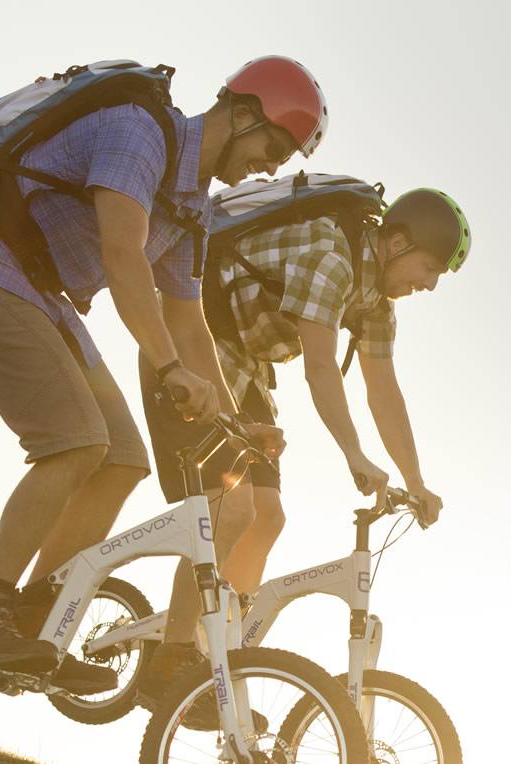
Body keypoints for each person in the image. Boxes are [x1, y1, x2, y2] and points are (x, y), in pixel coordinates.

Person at [0, 57, 323, 691]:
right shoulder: (138, 132)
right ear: (242, 113)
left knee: (125, 458)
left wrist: (236, 425)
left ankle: (28, 622)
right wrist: (165, 367)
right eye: (271, 146)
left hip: (39, 299)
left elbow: (189, 321)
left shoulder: (194, 207)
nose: (270, 165)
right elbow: (121, 251)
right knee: (79, 441)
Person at [130, 186, 469, 701]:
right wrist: (353, 453)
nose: (430, 284)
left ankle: (216, 661)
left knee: (268, 518)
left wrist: (416, 481)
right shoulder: (332, 258)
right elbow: (319, 368)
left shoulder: (376, 301)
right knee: (232, 509)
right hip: (195, 346)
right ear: (397, 243)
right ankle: (172, 660)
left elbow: (384, 390)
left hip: (246, 367)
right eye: (429, 268)